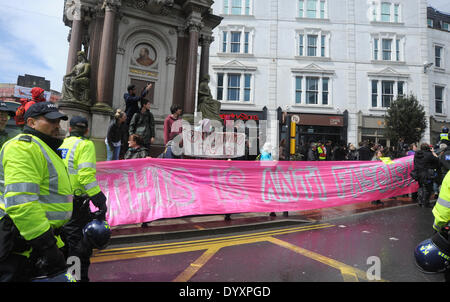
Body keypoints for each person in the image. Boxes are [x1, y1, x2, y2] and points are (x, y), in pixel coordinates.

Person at [0, 102, 72, 282]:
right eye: (51, 121)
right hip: (23, 245)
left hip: (37, 240)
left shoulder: (44, 147)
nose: (57, 126)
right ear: (31, 122)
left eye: (59, 121)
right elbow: (22, 203)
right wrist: (48, 247)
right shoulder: (24, 147)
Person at [58, 116, 108, 282]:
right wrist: (100, 200)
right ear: (87, 130)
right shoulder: (86, 145)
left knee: (61, 245)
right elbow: (86, 176)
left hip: (56, 203)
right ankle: (77, 279)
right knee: (78, 248)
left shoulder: (60, 144)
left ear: (70, 128)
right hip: (76, 204)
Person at [413, 143, 440, 208]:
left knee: (420, 187)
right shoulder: (429, 154)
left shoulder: (416, 154)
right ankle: (425, 202)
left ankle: (420, 201)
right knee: (428, 188)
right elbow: (437, 160)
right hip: (427, 174)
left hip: (418, 173)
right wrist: (432, 152)